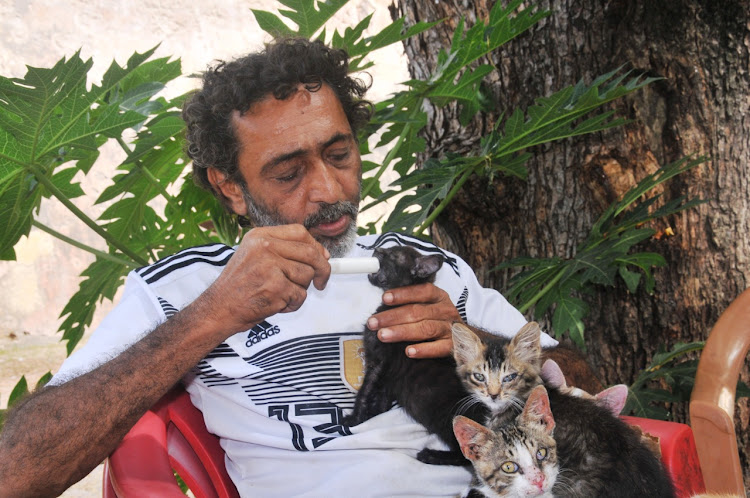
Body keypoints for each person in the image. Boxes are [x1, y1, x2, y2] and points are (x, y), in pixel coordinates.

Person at [0, 38, 556, 497]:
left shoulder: (424, 267)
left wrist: (476, 342)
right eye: (289, 174)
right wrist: (211, 316)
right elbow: (16, 473)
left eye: (339, 155)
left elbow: (576, 383)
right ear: (230, 188)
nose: (330, 190)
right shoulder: (183, 290)